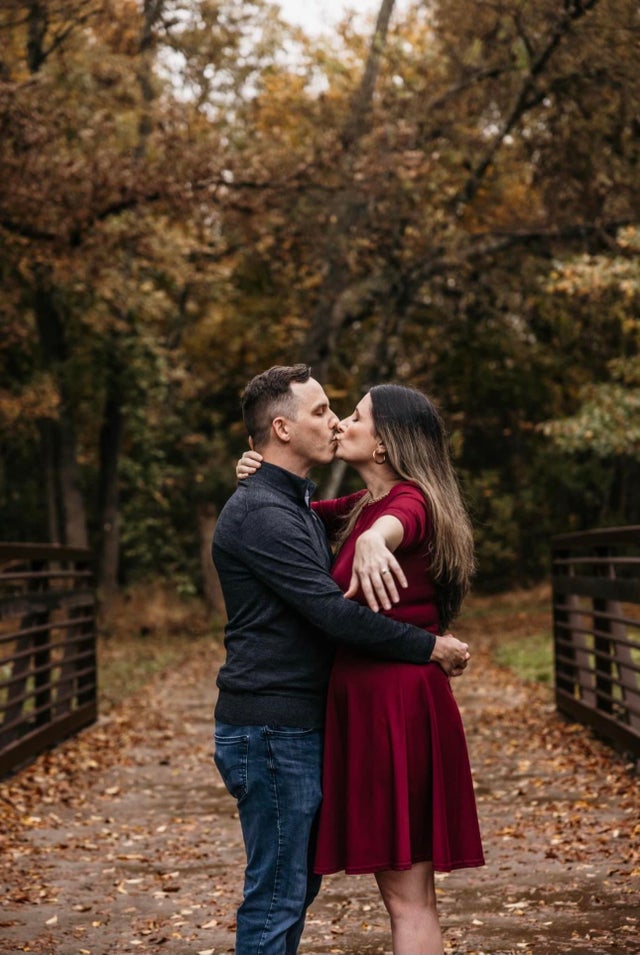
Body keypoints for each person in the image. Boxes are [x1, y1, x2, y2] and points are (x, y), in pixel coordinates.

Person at [212, 364, 471, 955]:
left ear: (384, 442)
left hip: (387, 707)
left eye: (350, 414)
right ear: (281, 428)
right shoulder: (333, 506)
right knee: (294, 891)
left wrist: (380, 539)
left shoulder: (397, 505)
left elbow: (397, 523)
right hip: (329, 713)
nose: (338, 422)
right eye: (327, 412)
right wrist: (256, 472)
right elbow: (304, 534)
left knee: (397, 899)